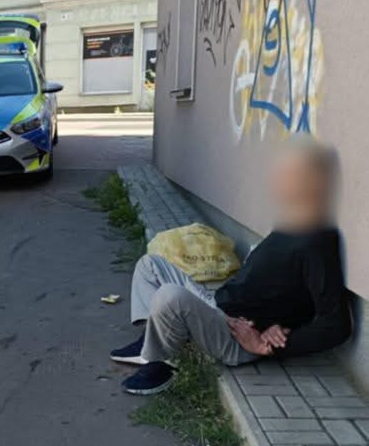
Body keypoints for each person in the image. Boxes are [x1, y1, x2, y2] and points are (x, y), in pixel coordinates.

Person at [112, 137, 351, 396]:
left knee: (169, 296)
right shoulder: (291, 225)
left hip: (237, 339)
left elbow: (335, 325)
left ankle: (160, 363)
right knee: (150, 265)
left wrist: (266, 343)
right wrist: (284, 324)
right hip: (221, 307)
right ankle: (152, 339)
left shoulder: (318, 241)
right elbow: (290, 291)